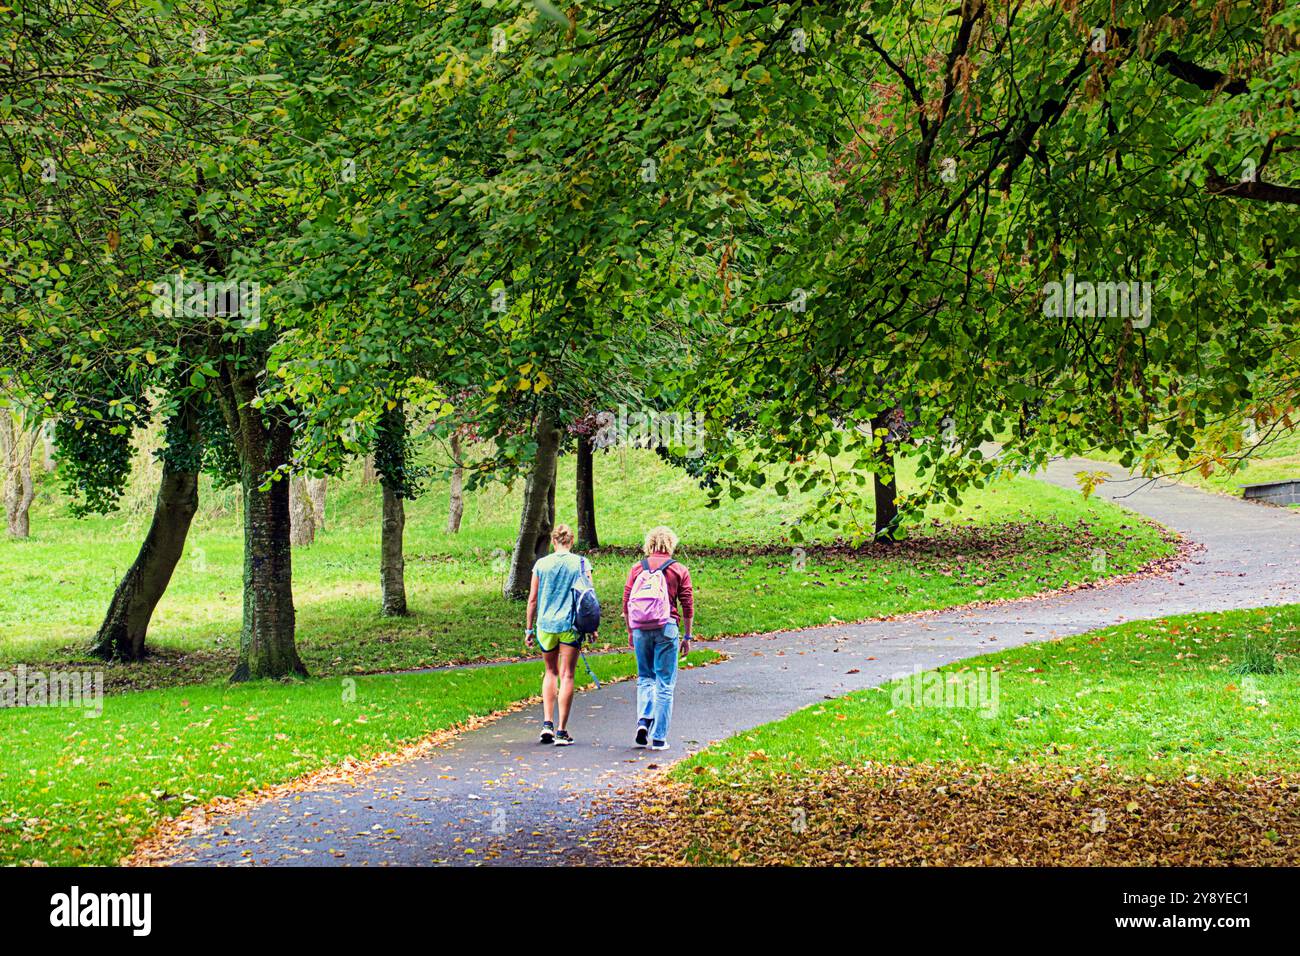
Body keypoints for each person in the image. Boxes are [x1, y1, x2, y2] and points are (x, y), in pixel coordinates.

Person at [623, 526, 694, 751]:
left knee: (645, 677)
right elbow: (687, 605)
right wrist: (687, 636)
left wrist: (630, 631)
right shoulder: (679, 570)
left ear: (649, 544)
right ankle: (660, 738)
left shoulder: (637, 568)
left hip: (641, 628)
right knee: (664, 683)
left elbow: (627, 602)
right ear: (671, 544)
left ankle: (644, 721)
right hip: (667, 628)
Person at [524, 524, 595, 746]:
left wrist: (529, 629)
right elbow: (588, 597)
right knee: (567, 675)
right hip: (570, 626)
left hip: (545, 625)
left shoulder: (541, 565)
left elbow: (533, 598)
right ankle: (562, 731)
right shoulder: (581, 563)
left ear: (554, 542)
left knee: (550, 672)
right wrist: (592, 626)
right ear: (571, 541)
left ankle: (547, 724)